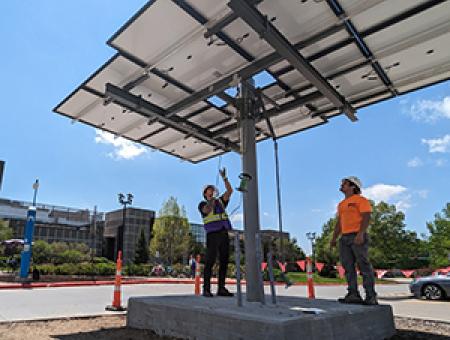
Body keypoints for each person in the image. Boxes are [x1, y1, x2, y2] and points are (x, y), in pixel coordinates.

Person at [330, 176, 378, 305]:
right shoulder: (341, 205)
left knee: (364, 266)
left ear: (353, 187)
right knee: (348, 267)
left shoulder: (360, 200)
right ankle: (353, 294)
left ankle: (371, 296)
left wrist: (361, 233)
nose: (341, 185)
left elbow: (366, 216)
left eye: (344, 184)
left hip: (357, 235)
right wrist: (334, 238)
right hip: (344, 238)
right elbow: (339, 223)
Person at [198, 168, 233, 297]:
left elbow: (230, 191)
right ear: (205, 193)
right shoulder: (203, 204)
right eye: (209, 190)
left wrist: (224, 178)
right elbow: (207, 210)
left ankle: (221, 288)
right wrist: (212, 200)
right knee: (210, 261)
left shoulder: (220, 202)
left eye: (213, 189)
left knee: (224, 261)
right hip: (212, 235)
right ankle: (206, 289)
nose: (212, 191)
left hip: (223, 233)